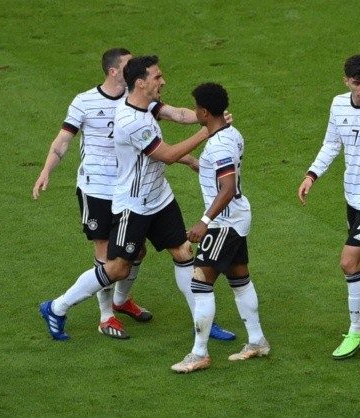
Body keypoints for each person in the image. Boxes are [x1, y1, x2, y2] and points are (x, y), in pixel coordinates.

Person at [34, 49, 234, 341]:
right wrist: (207, 131)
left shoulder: (148, 107)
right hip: (134, 204)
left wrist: (210, 118)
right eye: (157, 76)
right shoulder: (130, 121)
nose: (163, 81)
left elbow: (178, 115)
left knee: (183, 253)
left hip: (160, 197)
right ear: (140, 83)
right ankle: (57, 307)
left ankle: (201, 321)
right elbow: (165, 155)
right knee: (116, 268)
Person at [298, 55, 360, 359]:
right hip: (352, 197)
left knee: (348, 262)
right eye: (357, 82)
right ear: (346, 81)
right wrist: (311, 174)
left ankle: (356, 330)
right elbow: (331, 143)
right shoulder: (338, 104)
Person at [171, 83, 270, 373]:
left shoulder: (219, 144)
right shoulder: (231, 135)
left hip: (224, 221)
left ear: (203, 111)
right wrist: (195, 163)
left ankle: (199, 353)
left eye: (195, 108)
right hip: (237, 217)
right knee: (240, 280)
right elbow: (223, 176)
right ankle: (257, 341)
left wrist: (204, 221)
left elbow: (227, 187)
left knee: (200, 284)